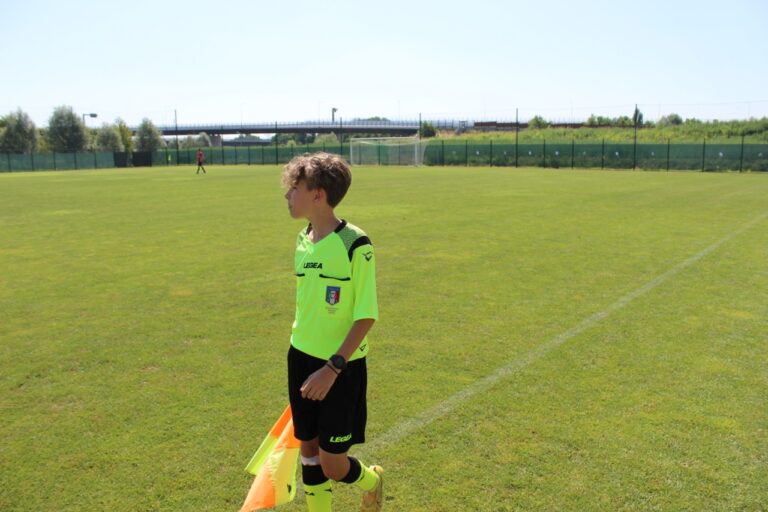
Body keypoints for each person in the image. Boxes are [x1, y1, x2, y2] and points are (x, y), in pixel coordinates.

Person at [282, 152, 384, 511]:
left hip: (341, 366)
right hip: (300, 357)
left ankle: (372, 481)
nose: (287, 194)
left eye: (295, 188)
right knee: (308, 449)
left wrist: (332, 367)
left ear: (318, 194)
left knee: (333, 464)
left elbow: (366, 316)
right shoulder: (302, 239)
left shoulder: (356, 244)